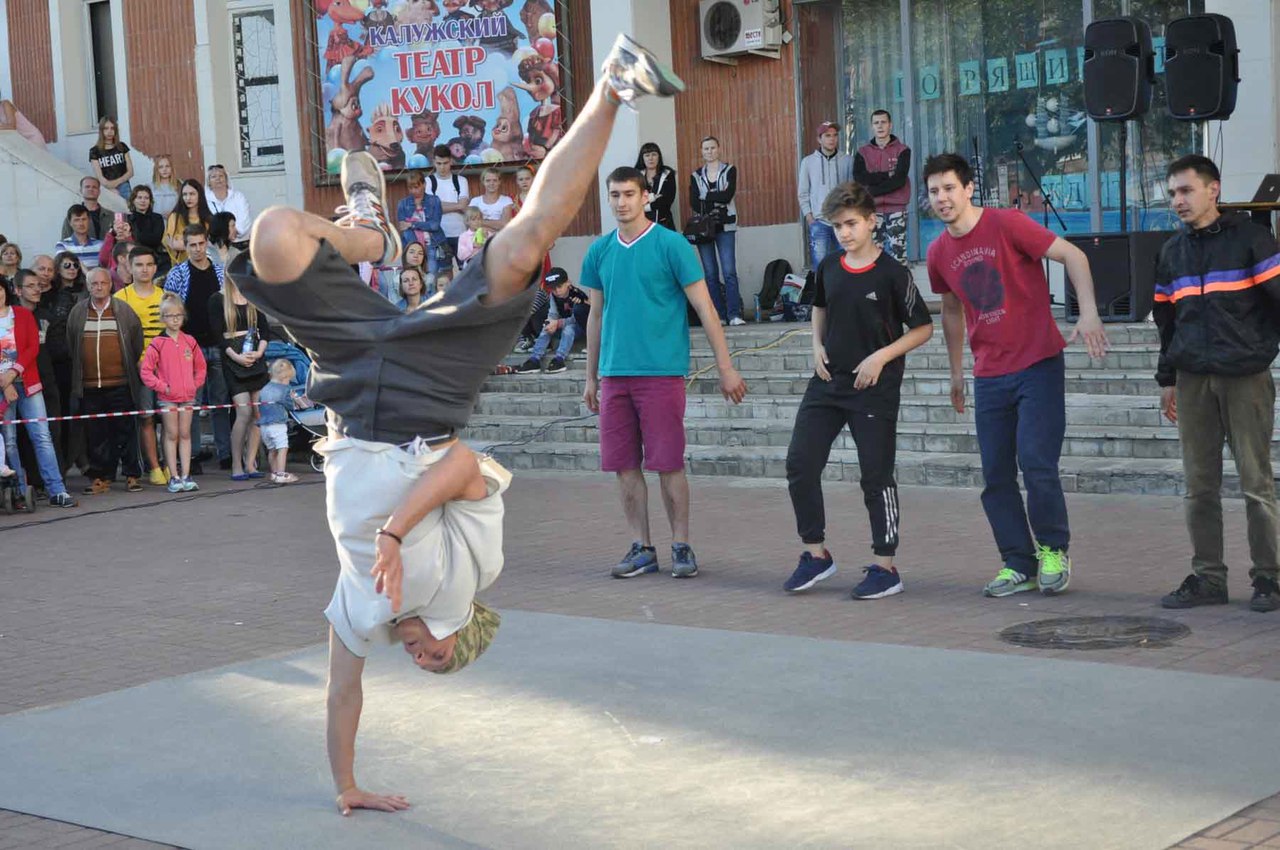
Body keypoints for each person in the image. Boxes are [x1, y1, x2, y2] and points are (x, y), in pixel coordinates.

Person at [229, 34, 683, 815]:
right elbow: (463, 468)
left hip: (350, 387)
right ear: (460, 630)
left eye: (425, 666)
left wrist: (347, 785)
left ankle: (367, 228)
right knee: (522, 246)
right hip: (429, 398)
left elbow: (342, 692)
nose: (423, 658)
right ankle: (613, 86)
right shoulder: (472, 576)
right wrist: (395, 533)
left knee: (272, 233)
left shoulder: (361, 611)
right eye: (441, 658)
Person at [924, 153, 1108, 597]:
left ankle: (1053, 549)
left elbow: (1073, 255)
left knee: (1036, 462)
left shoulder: (1006, 223)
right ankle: (1017, 562)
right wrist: (956, 372)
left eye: (949, 188)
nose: (942, 198)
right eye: (933, 191)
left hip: (1037, 363)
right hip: (989, 374)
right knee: (996, 474)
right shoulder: (937, 252)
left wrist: (1088, 312)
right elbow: (951, 309)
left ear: (969, 189)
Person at [582, 164, 747, 580]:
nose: (622, 202)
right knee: (624, 466)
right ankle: (642, 547)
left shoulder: (672, 245)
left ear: (646, 197)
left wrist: (726, 368)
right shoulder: (599, 251)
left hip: (661, 373)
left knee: (668, 463)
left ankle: (681, 545)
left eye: (629, 194)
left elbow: (706, 308)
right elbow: (595, 316)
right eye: (615, 195)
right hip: (614, 374)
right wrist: (590, 376)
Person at [783, 182, 933, 598]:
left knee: (876, 476)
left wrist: (881, 357)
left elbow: (923, 327)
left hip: (873, 389)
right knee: (800, 463)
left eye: (851, 224)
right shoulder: (829, 266)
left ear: (871, 222)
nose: (844, 233)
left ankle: (885, 567)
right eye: (837, 226)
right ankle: (816, 554)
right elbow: (819, 306)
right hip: (827, 383)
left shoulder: (893, 273)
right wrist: (816, 346)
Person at [1152, 155, 1280, 614]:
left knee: (1255, 483)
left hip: (1245, 377)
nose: (1178, 201)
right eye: (1172, 193)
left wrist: (1260, 351)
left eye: (1186, 190)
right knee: (1199, 486)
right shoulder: (1171, 252)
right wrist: (1168, 378)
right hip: (1192, 380)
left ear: (1214, 190)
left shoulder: (1252, 240)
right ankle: (1209, 578)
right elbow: (1167, 324)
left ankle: (1270, 578)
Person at [0, 278, 78, 507]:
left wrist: (13, 373)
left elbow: (32, 347)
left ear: (5, 291)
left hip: (29, 383)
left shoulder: (22, 314)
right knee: (9, 441)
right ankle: (18, 492)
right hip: (3, 388)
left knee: (42, 436)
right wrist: (5, 384)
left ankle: (57, 490)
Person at [67, 268, 145, 495]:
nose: (99, 287)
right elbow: (72, 344)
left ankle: (132, 475)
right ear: (88, 286)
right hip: (90, 386)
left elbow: (136, 343)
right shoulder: (78, 312)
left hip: (121, 383)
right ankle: (102, 477)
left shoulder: (124, 310)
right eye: (94, 284)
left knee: (126, 431)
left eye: (103, 283)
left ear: (111, 285)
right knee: (96, 434)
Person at [163, 224, 231, 473]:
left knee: (220, 402)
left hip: (218, 344)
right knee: (190, 403)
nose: (197, 249)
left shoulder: (220, 271)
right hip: (189, 348)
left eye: (201, 243)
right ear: (185, 246)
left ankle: (226, 453)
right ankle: (192, 455)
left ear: (206, 243)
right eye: (192, 244)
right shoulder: (178, 273)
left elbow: (229, 306)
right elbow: (169, 309)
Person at [140, 293, 207, 493]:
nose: (175, 319)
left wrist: (194, 385)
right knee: (171, 434)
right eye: (170, 316)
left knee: (185, 434)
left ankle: (186, 475)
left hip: (188, 397)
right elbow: (146, 371)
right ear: (163, 318)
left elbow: (201, 367)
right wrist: (163, 387)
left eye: (178, 315)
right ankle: (173, 476)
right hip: (168, 398)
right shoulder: (158, 343)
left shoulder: (190, 341)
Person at [209, 275, 270, 481]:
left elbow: (265, 330)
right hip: (232, 357)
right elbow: (218, 336)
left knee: (258, 413)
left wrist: (259, 353)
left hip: (255, 355)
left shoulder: (254, 296)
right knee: (243, 412)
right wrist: (236, 357)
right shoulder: (217, 299)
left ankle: (250, 462)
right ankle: (236, 463)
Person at [117, 246, 168, 486]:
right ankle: (154, 467)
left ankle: (169, 465)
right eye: (139, 265)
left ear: (155, 268)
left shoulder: (165, 296)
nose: (144, 269)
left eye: (149, 265)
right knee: (146, 418)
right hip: (138, 369)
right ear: (129, 267)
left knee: (168, 419)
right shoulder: (121, 298)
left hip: (166, 369)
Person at [12, 268, 64, 494]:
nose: (37, 290)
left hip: (46, 380)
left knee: (50, 433)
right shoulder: (10, 318)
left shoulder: (46, 316)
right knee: (18, 437)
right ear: (18, 290)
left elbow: (58, 349)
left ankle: (56, 484)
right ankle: (28, 484)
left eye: (39, 286)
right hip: (15, 382)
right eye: (31, 286)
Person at [690, 136, 745, 326]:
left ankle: (734, 314)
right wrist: (715, 197)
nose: (710, 151)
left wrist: (706, 196)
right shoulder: (696, 175)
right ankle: (718, 316)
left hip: (726, 226)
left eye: (713, 148)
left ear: (719, 149)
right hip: (704, 228)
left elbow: (728, 195)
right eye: (706, 148)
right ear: (701, 151)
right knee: (710, 273)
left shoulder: (730, 170)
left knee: (729, 271)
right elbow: (694, 203)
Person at [45, 252, 89, 474]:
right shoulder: (51, 295)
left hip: (82, 359)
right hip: (58, 361)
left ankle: (81, 458)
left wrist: (88, 274)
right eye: (67, 265)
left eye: (75, 265)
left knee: (80, 411)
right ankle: (65, 461)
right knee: (63, 411)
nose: (72, 269)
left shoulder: (85, 291)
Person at [854, 110, 911, 264]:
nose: (880, 126)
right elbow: (860, 178)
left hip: (897, 210)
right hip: (872, 210)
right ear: (872, 126)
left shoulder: (903, 150)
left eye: (883, 122)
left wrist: (871, 190)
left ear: (890, 125)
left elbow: (899, 180)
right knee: (872, 256)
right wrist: (887, 175)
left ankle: (900, 281)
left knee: (898, 256)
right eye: (876, 123)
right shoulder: (863, 152)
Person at [798, 121, 853, 269]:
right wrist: (809, 217)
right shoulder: (808, 162)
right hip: (819, 222)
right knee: (821, 267)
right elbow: (803, 192)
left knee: (846, 266)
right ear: (819, 139)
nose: (832, 139)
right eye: (827, 136)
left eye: (835, 135)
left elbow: (852, 190)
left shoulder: (847, 160)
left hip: (842, 222)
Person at [515, 266, 588, 375]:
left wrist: (558, 323)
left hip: (578, 328)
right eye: (553, 288)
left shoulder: (577, 295)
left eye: (559, 286)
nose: (557, 291)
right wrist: (550, 322)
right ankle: (534, 359)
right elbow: (553, 314)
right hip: (561, 324)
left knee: (568, 329)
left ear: (568, 283)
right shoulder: (554, 296)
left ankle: (559, 359)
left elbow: (577, 319)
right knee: (547, 328)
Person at [257, 358, 312, 485]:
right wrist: (296, 400)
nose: (289, 382)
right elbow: (291, 405)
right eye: (289, 379)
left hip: (264, 425)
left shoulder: (264, 388)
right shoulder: (284, 389)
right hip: (278, 424)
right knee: (282, 448)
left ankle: (274, 473)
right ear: (284, 377)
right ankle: (281, 474)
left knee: (272, 450)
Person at [395, 171, 446, 281]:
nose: (413, 191)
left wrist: (412, 224)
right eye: (410, 188)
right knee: (413, 278)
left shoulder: (434, 200)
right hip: (411, 248)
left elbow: (434, 226)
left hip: (432, 245)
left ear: (424, 184)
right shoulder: (402, 204)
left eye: (416, 187)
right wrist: (416, 246)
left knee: (431, 280)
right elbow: (403, 228)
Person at [426, 144, 470, 272]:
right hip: (439, 236)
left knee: (466, 272)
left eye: (445, 163)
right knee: (444, 274)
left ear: (451, 161)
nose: (442, 167)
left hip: (460, 234)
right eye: (439, 163)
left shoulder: (461, 180)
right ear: (433, 162)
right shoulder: (428, 181)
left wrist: (439, 205)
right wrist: (457, 205)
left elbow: (463, 205)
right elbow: (431, 209)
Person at [164, 179, 214, 268]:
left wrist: (185, 242)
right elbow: (174, 244)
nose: (188, 198)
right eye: (185, 194)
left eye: (192, 194)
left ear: (200, 195)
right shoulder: (175, 217)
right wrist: (201, 243)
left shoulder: (208, 218)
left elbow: (213, 245)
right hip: (182, 266)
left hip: (207, 264)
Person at [205, 165, 253, 245]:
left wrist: (234, 231)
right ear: (209, 182)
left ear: (226, 179)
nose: (218, 179)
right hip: (215, 244)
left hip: (239, 242)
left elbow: (244, 217)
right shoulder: (205, 200)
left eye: (221, 176)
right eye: (213, 177)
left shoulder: (238, 197)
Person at [89, 116, 134, 199]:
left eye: (112, 128)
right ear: (101, 131)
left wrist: (116, 183)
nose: (109, 131)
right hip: (106, 188)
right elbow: (99, 177)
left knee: (128, 207)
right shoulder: (94, 151)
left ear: (115, 130)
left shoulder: (122, 147)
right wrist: (109, 186)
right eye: (106, 128)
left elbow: (130, 172)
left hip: (124, 187)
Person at [128, 186, 169, 275]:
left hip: (156, 257)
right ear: (133, 200)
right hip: (135, 257)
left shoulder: (157, 218)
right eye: (139, 197)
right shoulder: (129, 219)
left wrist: (139, 237)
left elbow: (155, 239)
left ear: (150, 201)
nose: (143, 201)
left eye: (146, 198)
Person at [636, 142, 677, 230]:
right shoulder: (636, 175)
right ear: (642, 158)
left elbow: (667, 200)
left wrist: (644, 207)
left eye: (654, 154)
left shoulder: (667, 173)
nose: (650, 158)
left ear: (659, 157)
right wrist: (653, 197)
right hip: (641, 224)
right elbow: (635, 198)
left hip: (664, 223)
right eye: (647, 155)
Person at [60, 177, 113, 241]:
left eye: (94, 187)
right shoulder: (72, 217)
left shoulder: (112, 216)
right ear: (81, 190)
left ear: (99, 191)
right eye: (87, 187)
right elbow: (65, 242)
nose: (91, 189)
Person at [55, 205, 105, 270]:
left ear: (89, 221)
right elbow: (64, 269)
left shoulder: (100, 245)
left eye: (84, 219)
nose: (81, 223)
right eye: (77, 220)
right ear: (70, 223)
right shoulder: (62, 245)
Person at [468, 167, 514, 234]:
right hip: (479, 238)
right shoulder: (475, 201)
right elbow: (472, 224)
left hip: (499, 238)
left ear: (499, 182)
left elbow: (504, 224)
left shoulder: (506, 200)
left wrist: (481, 222)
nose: (491, 183)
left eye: (495, 180)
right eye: (488, 180)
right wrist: (496, 227)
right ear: (483, 182)